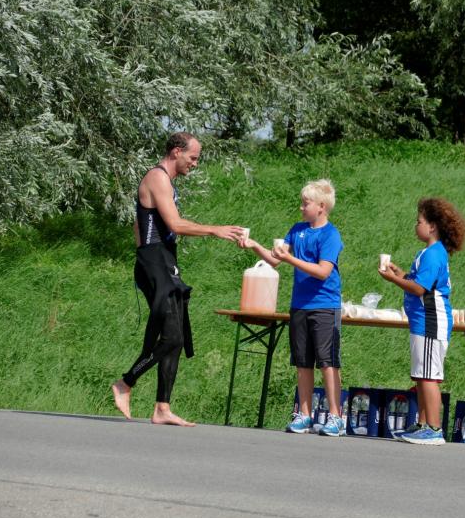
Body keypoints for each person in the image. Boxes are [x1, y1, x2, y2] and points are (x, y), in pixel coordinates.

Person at [111, 132, 246, 426]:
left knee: (177, 336)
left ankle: (162, 407)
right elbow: (175, 224)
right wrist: (215, 230)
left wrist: (151, 253)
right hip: (155, 261)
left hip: (162, 260)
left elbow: (139, 223)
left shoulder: (165, 182)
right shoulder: (157, 177)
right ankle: (125, 383)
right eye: (193, 157)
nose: (195, 164)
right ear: (176, 152)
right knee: (171, 337)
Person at [240, 179, 345, 436]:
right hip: (299, 305)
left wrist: (291, 259)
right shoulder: (297, 230)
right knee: (302, 362)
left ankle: (336, 416)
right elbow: (275, 259)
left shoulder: (330, 235)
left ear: (321, 207)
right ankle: (305, 415)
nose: (301, 207)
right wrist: (255, 245)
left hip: (325, 306)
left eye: (306, 203)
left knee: (328, 362)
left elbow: (323, 271)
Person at [379, 197, 465, 445]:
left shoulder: (434, 254)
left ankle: (435, 428)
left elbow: (420, 289)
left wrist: (393, 280)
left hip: (431, 322)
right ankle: (423, 423)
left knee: (429, 377)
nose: (415, 225)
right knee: (421, 375)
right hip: (422, 321)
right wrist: (401, 274)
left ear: (432, 226)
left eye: (419, 221)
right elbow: (419, 281)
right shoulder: (428, 253)